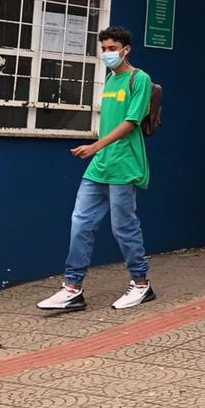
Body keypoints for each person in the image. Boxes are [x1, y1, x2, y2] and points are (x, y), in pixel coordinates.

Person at [38, 26, 155, 312]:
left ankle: (141, 284)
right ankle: (72, 288)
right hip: (99, 166)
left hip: (124, 164)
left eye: (112, 48)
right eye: (103, 49)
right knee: (80, 224)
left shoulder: (140, 80)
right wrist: (97, 150)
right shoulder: (110, 80)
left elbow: (130, 123)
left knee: (123, 227)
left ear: (126, 49)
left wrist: (95, 146)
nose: (107, 54)